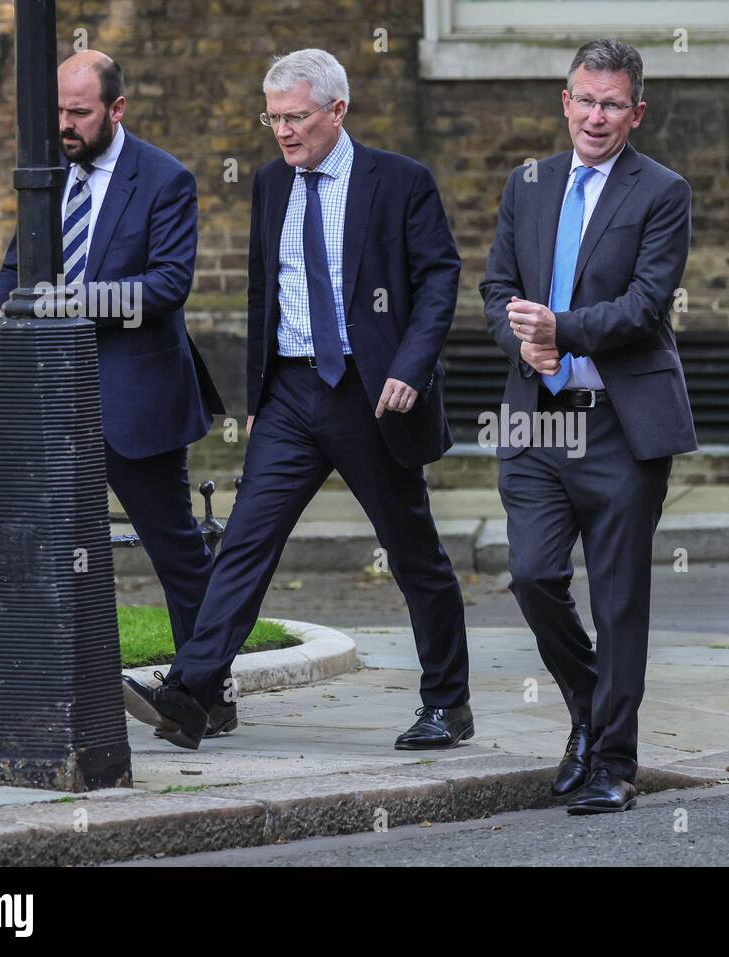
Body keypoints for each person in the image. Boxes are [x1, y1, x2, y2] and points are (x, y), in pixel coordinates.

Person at [121, 48, 472, 751]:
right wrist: (259, 391)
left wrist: (410, 366)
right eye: (273, 117)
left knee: (412, 552)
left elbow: (440, 279)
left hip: (373, 396)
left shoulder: (400, 181)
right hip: (289, 393)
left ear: (337, 111)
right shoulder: (270, 183)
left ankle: (448, 705)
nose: (283, 131)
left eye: (296, 117)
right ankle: (192, 694)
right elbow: (265, 289)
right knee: (245, 541)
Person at [0, 50, 227, 737]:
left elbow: (168, 286)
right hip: (53, 396)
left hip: (139, 398)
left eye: (78, 112)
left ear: (116, 110)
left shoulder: (166, 179)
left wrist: (61, 303)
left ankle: (207, 690)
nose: (64, 124)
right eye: (56, 110)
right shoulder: (43, 176)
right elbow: (18, 264)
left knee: (175, 551)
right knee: (29, 541)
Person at [480, 38, 697, 814]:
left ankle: (613, 760)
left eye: (612, 103)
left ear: (635, 113)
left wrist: (559, 330)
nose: (596, 116)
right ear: (564, 101)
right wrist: (526, 342)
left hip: (618, 425)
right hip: (538, 420)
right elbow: (494, 288)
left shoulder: (662, 191)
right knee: (534, 574)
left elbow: (645, 306)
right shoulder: (527, 183)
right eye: (584, 98)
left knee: (618, 599)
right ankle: (588, 702)